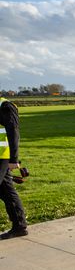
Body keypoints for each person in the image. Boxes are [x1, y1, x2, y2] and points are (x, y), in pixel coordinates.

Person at [0, 97, 28, 240]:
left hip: (3, 157)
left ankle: (19, 225)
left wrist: (13, 159)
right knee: (6, 191)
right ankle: (19, 226)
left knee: (6, 190)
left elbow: (14, 132)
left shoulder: (5, 106)